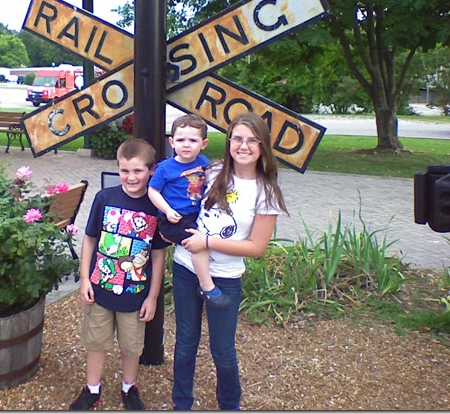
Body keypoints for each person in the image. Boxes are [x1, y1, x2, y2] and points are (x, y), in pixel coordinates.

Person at [171, 112, 288, 410]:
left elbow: (256, 247)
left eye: (252, 140)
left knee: (222, 349)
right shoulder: (211, 171)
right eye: (237, 139)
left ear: (262, 146)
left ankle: (229, 404)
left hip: (225, 277)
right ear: (229, 142)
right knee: (185, 343)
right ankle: (181, 403)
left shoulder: (267, 192)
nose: (243, 146)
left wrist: (207, 242)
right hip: (186, 268)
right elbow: (175, 181)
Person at [70, 138, 169, 411]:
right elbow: (90, 239)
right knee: (95, 342)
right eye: (125, 170)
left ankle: (129, 387)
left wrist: (153, 296)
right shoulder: (105, 198)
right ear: (118, 169)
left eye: (138, 170)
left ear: (151, 170)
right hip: (100, 289)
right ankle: (92, 389)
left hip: (135, 294)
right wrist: (85, 278)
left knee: (131, 346)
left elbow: (158, 254)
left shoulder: (155, 206)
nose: (131, 177)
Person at [148, 114, 230, 309]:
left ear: (204, 143)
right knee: (199, 242)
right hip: (174, 218)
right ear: (172, 142)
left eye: (193, 140)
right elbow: (153, 191)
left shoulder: (203, 162)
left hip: (196, 214)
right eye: (180, 140)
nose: (186, 145)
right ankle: (207, 286)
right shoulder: (165, 168)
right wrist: (167, 210)